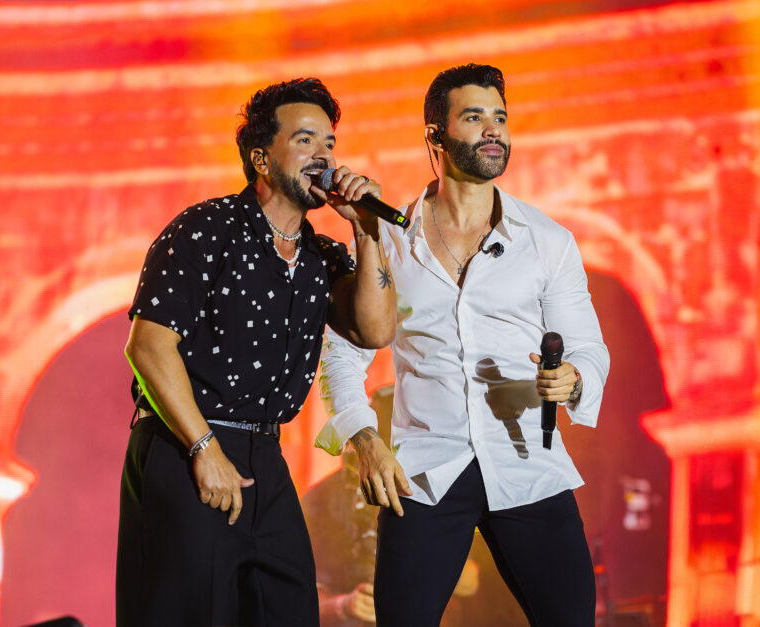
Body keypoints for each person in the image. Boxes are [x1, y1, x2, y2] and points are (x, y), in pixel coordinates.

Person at [315, 64, 610, 626]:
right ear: (436, 136)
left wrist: (573, 377)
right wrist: (365, 440)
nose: (493, 130)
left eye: (500, 117)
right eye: (474, 118)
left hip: (527, 463)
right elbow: (342, 354)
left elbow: (589, 348)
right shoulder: (388, 238)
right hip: (426, 472)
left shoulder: (547, 241)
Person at [116, 77, 395, 627]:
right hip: (186, 443)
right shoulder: (205, 229)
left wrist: (367, 232)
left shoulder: (320, 255)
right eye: (306, 140)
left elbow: (375, 329)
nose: (324, 156)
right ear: (261, 159)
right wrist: (203, 447)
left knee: (286, 608)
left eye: (330, 143)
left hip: (265, 453)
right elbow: (148, 346)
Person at [304, 386, 481, 626]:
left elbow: (470, 582)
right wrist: (343, 605)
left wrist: (422, 560)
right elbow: (292, 599)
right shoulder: (320, 500)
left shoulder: (440, 486)